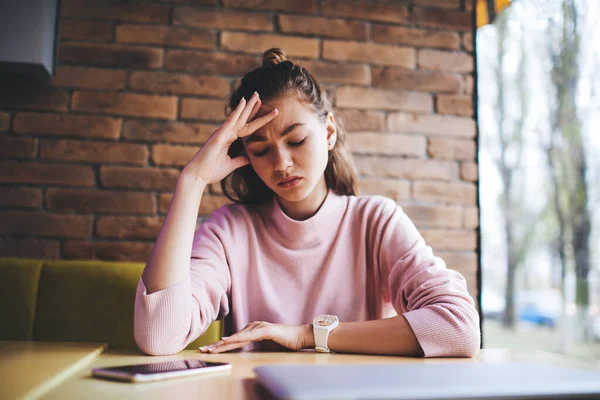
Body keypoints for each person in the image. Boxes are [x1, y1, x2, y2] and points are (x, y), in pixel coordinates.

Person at [134, 48, 480, 358]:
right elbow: (160, 338)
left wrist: (306, 335)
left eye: (296, 140)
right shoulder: (229, 231)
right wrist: (192, 181)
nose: (281, 163)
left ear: (328, 132)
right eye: (261, 150)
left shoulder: (376, 221)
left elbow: (459, 327)